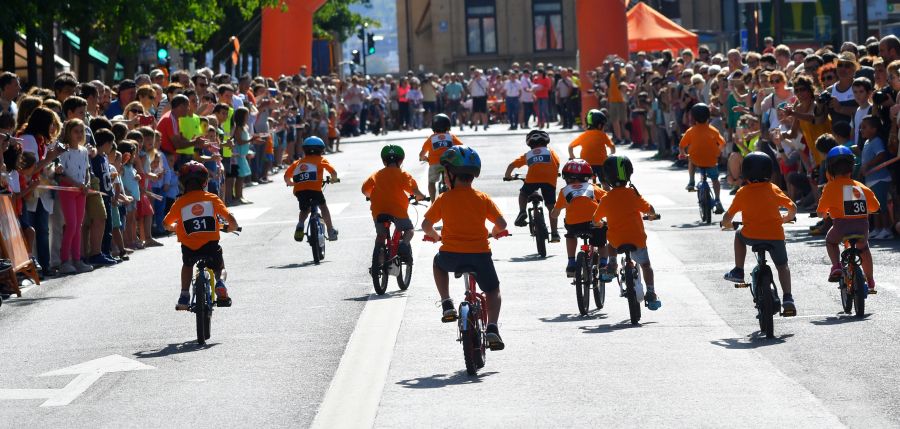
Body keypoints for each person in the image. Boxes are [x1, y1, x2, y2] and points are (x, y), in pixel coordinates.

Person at [421, 146, 508, 350]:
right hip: (480, 256)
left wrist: (435, 236)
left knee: (437, 263)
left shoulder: (444, 199)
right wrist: (494, 232)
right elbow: (502, 224)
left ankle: (446, 303)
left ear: (450, 175)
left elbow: (426, 225)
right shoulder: (482, 198)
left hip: (451, 255)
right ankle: (493, 327)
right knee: (493, 290)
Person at [721, 152, 797, 316]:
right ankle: (788, 298)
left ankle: (739, 270)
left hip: (751, 235)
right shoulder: (773, 189)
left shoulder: (742, 192)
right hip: (775, 236)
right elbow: (792, 208)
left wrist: (725, 224)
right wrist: (786, 218)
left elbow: (728, 216)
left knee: (738, 236)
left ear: (745, 173)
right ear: (769, 172)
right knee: (782, 266)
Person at [164, 161, 239, 310]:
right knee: (220, 268)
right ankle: (220, 283)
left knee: (187, 265)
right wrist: (231, 228)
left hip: (189, 247)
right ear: (205, 182)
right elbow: (232, 221)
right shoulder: (212, 198)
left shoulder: (180, 202)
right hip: (210, 245)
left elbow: (166, 224)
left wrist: (176, 228)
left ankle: (184, 295)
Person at [592, 156, 661, 309]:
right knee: (646, 265)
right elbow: (649, 209)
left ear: (607, 177)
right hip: (637, 239)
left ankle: (612, 264)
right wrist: (652, 215)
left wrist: (598, 223)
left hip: (617, 240)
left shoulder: (606, 198)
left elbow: (595, 219)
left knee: (611, 243)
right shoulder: (633, 194)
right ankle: (651, 291)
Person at [817, 146, 880, 291]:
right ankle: (870, 280)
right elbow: (875, 207)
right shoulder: (860, 187)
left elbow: (821, 211)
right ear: (852, 167)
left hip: (841, 228)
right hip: (862, 227)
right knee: (863, 249)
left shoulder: (830, 188)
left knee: (830, 241)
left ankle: (836, 266)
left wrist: (824, 214)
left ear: (830, 169)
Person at [361, 145, 427, 264]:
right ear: (401, 160)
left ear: (384, 161)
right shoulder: (403, 175)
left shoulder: (376, 174)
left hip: (378, 210)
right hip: (397, 210)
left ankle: (379, 263)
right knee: (409, 229)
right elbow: (415, 191)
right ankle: (403, 246)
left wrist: (372, 196)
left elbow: (365, 190)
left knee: (381, 235)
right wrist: (421, 197)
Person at [550, 159, 607, 277]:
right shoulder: (593, 187)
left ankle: (571, 263)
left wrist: (554, 213)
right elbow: (608, 199)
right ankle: (603, 264)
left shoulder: (564, 191)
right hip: (593, 223)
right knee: (601, 242)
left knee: (570, 235)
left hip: (574, 225)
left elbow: (555, 213)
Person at [504, 130, 561, 242]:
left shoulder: (529, 154)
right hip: (549, 180)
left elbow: (511, 165)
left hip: (532, 179)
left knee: (524, 193)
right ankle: (554, 233)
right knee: (551, 207)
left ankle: (522, 211)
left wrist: (508, 176)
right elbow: (557, 163)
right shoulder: (551, 152)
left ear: (530, 144)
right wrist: (555, 172)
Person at [55, 119, 94, 274]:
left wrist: (87, 184)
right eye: (75, 131)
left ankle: (77, 260)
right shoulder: (63, 151)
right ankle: (65, 260)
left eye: (81, 131)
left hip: (81, 191)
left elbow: (87, 171)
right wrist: (77, 184)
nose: (79, 135)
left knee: (78, 225)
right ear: (68, 133)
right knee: (71, 225)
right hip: (68, 190)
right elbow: (61, 175)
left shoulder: (84, 151)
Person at [285, 136, 339, 242]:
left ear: (304, 150)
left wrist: (290, 183)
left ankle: (300, 225)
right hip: (315, 190)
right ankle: (330, 231)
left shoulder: (298, 162)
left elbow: (287, 175)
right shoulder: (321, 160)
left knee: (305, 209)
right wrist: (334, 179)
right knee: (323, 207)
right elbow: (333, 172)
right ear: (321, 150)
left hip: (300, 191)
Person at [679, 103, 726, 214]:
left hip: (696, 159)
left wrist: (682, 154)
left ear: (693, 118)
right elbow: (722, 143)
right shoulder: (713, 130)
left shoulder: (690, 131)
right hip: (711, 160)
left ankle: (691, 181)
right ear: (708, 116)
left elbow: (682, 146)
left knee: (690, 159)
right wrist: (718, 152)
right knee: (715, 180)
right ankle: (718, 200)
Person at [857, 115, 893, 240]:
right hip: (870, 180)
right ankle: (877, 229)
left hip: (880, 179)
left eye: (864, 127)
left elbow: (881, 155)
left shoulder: (877, 141)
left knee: (881, 205)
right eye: (861, 127)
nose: (861, 130)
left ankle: (886, 229)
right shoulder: (867, 142)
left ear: (874, 129)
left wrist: (867, 165)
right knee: (874, 206)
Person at [418, 114, 462, 201]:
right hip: (448, 163)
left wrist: (423, 158)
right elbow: (461, 147)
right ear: (448, 126)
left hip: (434, 163)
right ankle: (452, 197)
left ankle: (433, 201)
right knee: (451, 181)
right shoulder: (451, 137)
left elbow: (422, 154)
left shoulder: (431, 138)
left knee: (431, 182)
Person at [568, 109, 616, 184]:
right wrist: (609, 156)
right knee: (605, 184)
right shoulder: (603, 135)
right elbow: (612, 148)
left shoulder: (583, 136)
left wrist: (573, 158)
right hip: (601, 164)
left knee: (584, 183)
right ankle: (607, 194)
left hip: (586, 165)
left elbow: (570, 147)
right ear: (600, 125)